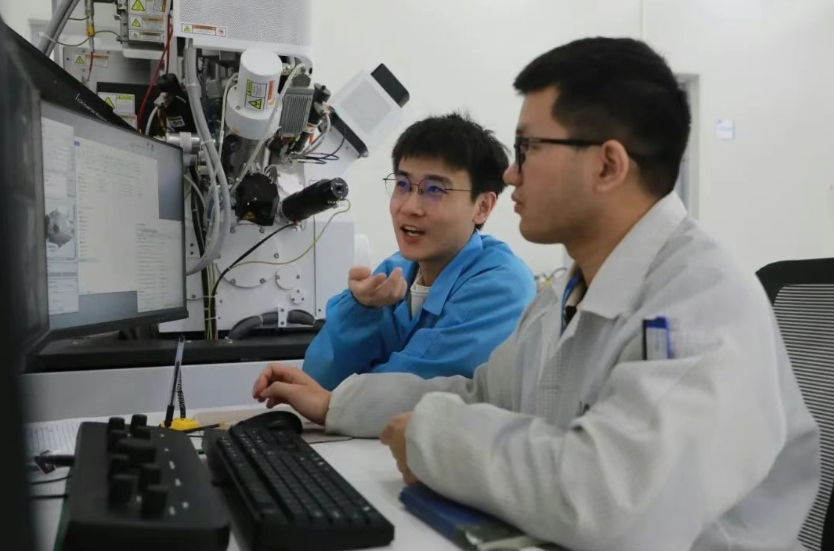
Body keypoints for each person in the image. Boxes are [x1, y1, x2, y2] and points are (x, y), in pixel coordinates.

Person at [253, 38, 820, 550]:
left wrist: (433, 439)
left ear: (607, 165)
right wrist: (340, 406)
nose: (511, 174)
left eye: (528, 149)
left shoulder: (701, 305)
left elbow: (610, 502)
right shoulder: (566, 294)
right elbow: (481, 393)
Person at [302, 113, 536, 390]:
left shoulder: (501, 287)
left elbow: (404, 391)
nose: (409, 207)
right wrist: (360, 309)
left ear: (482, 206)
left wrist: (334, 396)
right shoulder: (394, 273)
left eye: (434, 189)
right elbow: (317, 380)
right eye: (402, 185)